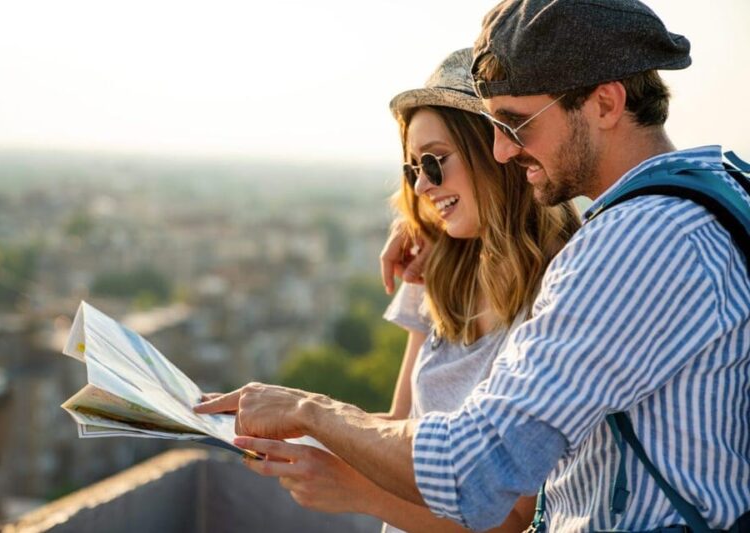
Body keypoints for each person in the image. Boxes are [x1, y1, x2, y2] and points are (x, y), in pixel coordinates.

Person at [195, 1, 750, 530]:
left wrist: (311, 410)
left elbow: (473, 473)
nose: (503, 151)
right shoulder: (715, 192)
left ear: (605, 103)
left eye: (515, 124)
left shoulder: (635, 244)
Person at [199, 47, 579, 532]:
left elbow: (512, 518)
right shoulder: (438, 273)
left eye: (434, 162)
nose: (421, 187)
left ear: (499, 149)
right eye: (412, 170)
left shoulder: (565, 289)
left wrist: (356, 490)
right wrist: (283, 427)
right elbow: (402, 424)